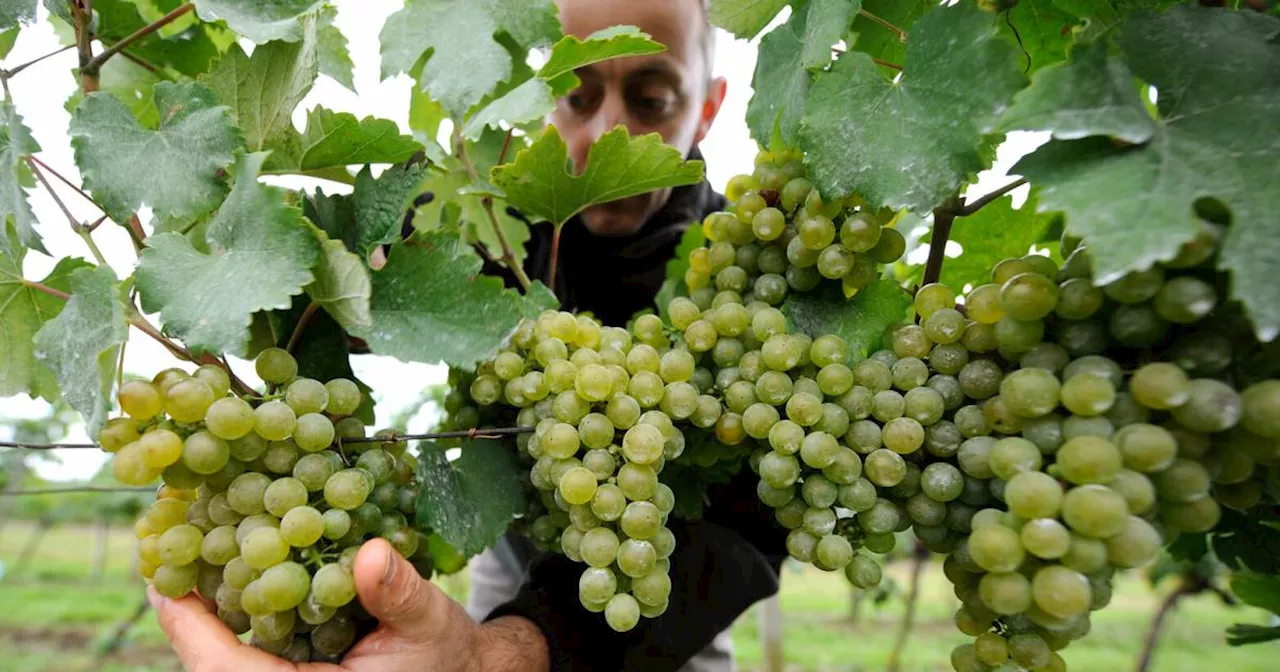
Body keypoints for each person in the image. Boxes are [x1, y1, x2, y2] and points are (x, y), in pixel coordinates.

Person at [149, 1, 788, 670]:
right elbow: (376, 292)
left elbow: (744, 528)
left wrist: (503, 654)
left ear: (709, 108)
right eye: (575, 94)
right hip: (514, 554)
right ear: (538, 95)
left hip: (666, 589)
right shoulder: (479, 218)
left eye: (653, 100)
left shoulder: (742, 275)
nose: (607, 130)